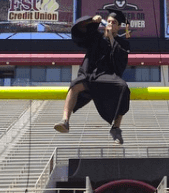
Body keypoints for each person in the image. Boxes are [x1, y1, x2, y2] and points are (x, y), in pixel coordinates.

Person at [54, 9, 130, 144]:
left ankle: (116, 128)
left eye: (114, 23)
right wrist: (91, 20)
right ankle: (65, 121)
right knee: (75, 85)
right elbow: (80, 32)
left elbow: (119, 61)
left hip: (106, 77)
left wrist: (111, 38)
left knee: (123, 88)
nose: (111, 24)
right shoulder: (96, 37)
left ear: (119, 27)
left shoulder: (122, 43)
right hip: (89, 75)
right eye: (109, 21)